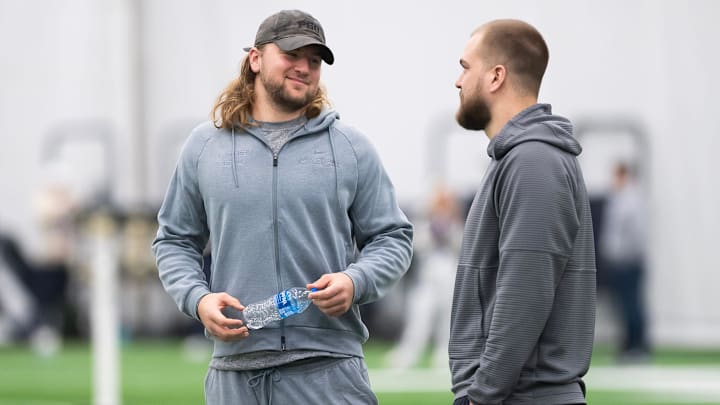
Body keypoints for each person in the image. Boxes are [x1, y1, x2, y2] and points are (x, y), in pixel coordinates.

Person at [151, 9, 413, 405]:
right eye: (292, 54)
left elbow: (393, 237)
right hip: (234, 378)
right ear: (255, 59)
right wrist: (197, 298)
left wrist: (356, 281)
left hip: (330, 373)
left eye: (314, 60)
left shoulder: (351, 147)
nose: (304, 67)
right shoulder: (204, 147)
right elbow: (174, 240)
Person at [449, 19, 596, 405]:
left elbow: (524, 293)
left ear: (496, 76)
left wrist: (480, 396)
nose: (458, 81)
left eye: (465, 67)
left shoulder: (533, 160)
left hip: (521, 397)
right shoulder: (519, 157)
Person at [385, 184, 461, 369]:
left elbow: (461, 246)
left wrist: (448, 233)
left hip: (449, 280)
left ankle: (445, 358)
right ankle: (407, 355)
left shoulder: (456, 226)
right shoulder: (424, 225)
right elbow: (417, 245)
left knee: (448, 322)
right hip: (427, 280)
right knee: (418, 319)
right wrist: (433, 232)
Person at [600, 161, 650, 362]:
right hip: (620, 261)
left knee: (632, 304)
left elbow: (635, 234)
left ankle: (637, 347)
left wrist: (627, 255)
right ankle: (629, 346)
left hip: (628, 262)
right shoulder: (620, 198)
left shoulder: (631, 200)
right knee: (624, 305)